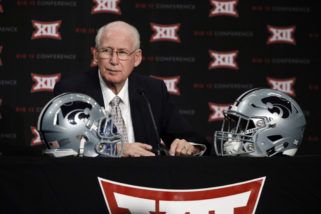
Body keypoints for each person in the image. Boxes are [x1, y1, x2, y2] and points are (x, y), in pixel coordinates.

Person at [54, 20, 209, 157]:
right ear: (95, 55)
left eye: (122, 52)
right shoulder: (71, 91)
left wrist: (190, 147)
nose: (114, 61)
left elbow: (192, 139)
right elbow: (64, 145)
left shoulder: (153, 91)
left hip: (145, 181)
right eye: (107, 51)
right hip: (91, 180)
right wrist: (114, 150)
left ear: (137, 58)